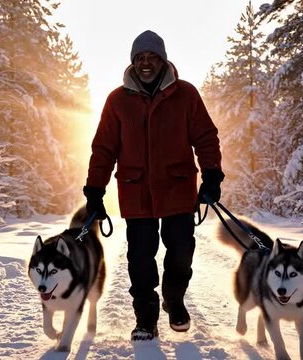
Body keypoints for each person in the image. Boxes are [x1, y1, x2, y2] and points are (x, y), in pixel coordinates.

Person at [83, 30, 224, 341]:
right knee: (140, 258)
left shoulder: (185, 94)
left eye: (152, 57)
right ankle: (145, 317)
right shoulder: (117, 100)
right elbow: (103, 148)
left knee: (181, 250)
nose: (146, 63)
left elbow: (205, 136)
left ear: (163, 60)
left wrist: (212, 174)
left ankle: (174, 300)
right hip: (136, 192)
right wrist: (95, 189)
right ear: (133, 63)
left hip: (178, 187)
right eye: (140, 58)